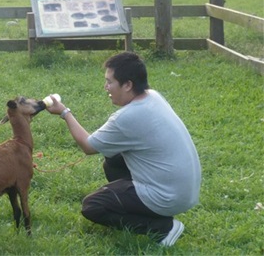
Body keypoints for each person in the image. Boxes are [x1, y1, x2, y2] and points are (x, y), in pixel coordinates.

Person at [46, 52, 201, 247]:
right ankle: (148, 210)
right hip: (183, 191)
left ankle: (162, 227)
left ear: (127, 85)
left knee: (92, 206)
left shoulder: (127, 117)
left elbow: (88, 146)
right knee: (112, 160)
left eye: (109, 82)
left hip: (168, 196)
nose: (106, 87)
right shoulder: (152, 96)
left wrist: (64, 112)